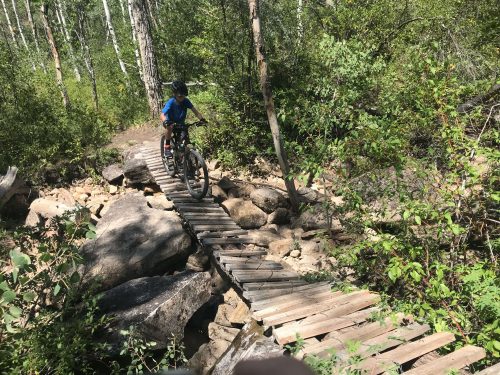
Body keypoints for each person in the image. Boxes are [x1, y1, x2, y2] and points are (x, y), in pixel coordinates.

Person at [160, 80, 206, 158]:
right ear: (174, 94)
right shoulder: (171, 102)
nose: (182, 98)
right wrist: (165, 121)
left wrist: (202, 119)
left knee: (185, 141)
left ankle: (187, 157)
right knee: (170, 127)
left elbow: (195, 112)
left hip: (181, 124)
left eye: (183, 96)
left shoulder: (186, 101)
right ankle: (167, 147)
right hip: (170, 123)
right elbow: (162, 114)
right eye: (180, 96)